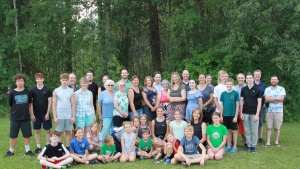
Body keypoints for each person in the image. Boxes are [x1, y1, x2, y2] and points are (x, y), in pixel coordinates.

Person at [4, 74, 34, 157]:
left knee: (27, 135)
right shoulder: (12, 93)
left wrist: (32, 115)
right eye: (18, 81)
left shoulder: (28, 92)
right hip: (15, 118)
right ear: (15, 83)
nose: (20, 82)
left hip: (25, 117)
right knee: (13, 135)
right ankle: (11, 151)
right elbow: (10, 104)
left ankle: (27, 151)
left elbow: (30, 104)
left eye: (21, 80)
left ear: (24, 82)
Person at [30, 73, 52, 154]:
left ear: (43, 79)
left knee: (48, 130)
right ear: (36, 80)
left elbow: (50, 102)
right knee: (37, 131)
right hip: (36, 114)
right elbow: (31, 103)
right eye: (38, 79)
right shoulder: (32, 90)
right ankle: (38, 147)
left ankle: (48, 146)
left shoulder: (47, 89)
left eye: (41, 78)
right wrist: (32, 114)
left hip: (45, 114)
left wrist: (47, 113)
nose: (39, 80)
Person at [240, 73, 262, 153]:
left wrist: (257, 114)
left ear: (253, 79)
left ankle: (253, 146)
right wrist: (241, 112)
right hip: (245, 112)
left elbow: (259, 102)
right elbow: (241, 101)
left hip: (254, 113)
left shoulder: (257, 89)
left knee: (254, 130)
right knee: (247, 130)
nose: (249, 79)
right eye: (247, 78)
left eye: (250, 78)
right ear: (246, 79)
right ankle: (248, 145)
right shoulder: (244, 89)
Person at [52, 73, 75, 150]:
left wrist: (73, 116)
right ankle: (61, 147)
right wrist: (55, 116)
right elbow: (54, 104)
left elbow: (73, 104)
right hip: (59, 115)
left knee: (68, 132)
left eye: (66, 80)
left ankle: (67, 147)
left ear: (68, 81)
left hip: (68, 115)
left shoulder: (71, 91)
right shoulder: (56, 90)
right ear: (60, 80)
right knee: (59, 133)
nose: (64, 82)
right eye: (63, 80)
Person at [264, 75, 286, 147]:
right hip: (269, 111)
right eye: (272, 79)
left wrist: (271, 99)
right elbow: (267, 99)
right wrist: (276, 99)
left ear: (278, 81)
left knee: (277, 127)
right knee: (268, 127)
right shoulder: (267, 89)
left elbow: (281, 99)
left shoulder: (281, 89)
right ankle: (268, 142)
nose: (274, 81)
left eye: (275, 79)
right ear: (270, 81)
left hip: (279, 111)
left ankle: (276, 142)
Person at [220, 78, 240, 153]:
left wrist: (235, 116)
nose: (229, 85)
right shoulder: (223, 94)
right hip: (225, 115)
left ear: (232, 85)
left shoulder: (235, 93)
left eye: (230, 84)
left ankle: (234, 146)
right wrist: (221, 115)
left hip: (233, 115)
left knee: (234, 131)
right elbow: (222, 106)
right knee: (227, 131)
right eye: (227, 84)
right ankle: (229, 145)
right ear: (226, 85)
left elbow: (237, 105)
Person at [253, 70, 267, 143]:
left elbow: (265, 96)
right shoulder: (250, 84)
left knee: (260, 122)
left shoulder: (264, 85)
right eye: (256, 74)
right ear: (254, 75)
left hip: (260, 106)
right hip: (251, 106)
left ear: (260, 75)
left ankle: (260, 137)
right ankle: (251, 136)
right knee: (250, 121)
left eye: (258, 74)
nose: (257, 76)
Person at [234, 73, 247, 143]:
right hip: (236, 110)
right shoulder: (234, 87)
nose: (240, 79)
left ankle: (247, 141)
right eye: (239, 78)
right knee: (236, 127)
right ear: (237, 79)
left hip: (245, 110)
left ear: (244, 79)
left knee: (244, 128)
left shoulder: (247, 87)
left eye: (242, 78)